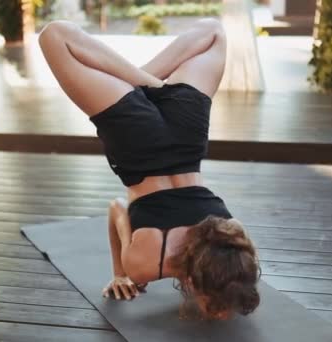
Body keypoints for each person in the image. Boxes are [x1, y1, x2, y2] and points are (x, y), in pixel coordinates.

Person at [38, 17, 260, 320]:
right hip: (136, 142)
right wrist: (121, 273)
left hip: (186, 136)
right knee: (54, 36)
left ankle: (147, 84)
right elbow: (117, 208)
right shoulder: (146, 265)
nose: (225, 312)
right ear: (194, 282)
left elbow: (119, 208)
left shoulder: (234, 237)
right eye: (219, 304)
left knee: (215, 31)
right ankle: (142, 85)